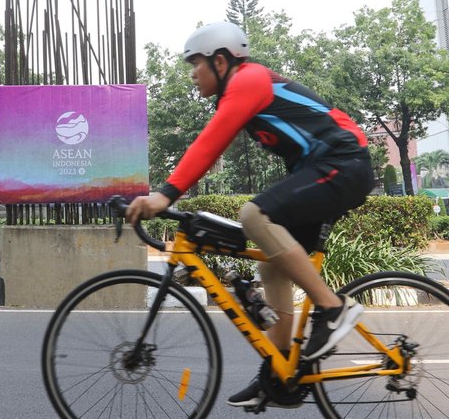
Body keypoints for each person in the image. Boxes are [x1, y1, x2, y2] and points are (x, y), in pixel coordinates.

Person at [126, 22, 374, 408]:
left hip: (344, 164)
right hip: (326, 169)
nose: (193, 74)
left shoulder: (249, 80)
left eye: (197, 64)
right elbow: (213, 147)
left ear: (220, 61)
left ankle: (333, 307)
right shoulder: (241, 88)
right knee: (271, 266)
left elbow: (210, 143)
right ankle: (279, 372)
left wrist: (165, 194)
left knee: (254, 215)